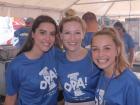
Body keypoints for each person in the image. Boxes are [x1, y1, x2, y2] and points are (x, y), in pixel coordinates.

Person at [4, 15, 58, 105]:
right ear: (33, 34)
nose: (48, 38)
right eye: (42, 32)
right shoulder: (17, 66)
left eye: (52, 34)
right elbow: (10, 99)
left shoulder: (53, 53)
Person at [56, 16, 100, 105]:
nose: (72, 38)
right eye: (67, 33)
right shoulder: (57, 59)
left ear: (83, 34)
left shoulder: (96, 56)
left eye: (77, 33)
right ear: (61, 35)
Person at [91, 27, 140, 105]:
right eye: (95, 49)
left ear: (118, 50)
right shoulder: (103, 74)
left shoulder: (131, 83)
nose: (100, 54)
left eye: (107, 48)